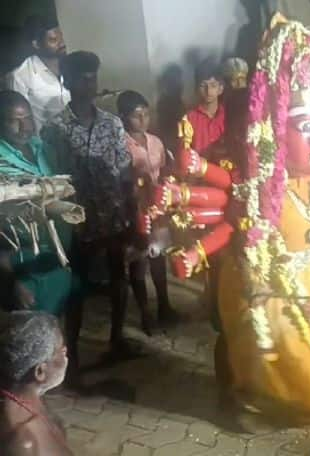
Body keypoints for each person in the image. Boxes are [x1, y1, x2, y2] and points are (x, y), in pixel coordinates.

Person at [216, 13, 310, 432]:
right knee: (282, 357)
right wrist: (259, 287)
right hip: (270, 291)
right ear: (276, 133)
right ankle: (250, 407)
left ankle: (306, 409)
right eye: (305, 125)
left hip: (309, 287)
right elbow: (246, 247)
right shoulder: (261, 189)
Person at [41, 51, 137, 363]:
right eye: (82, 77)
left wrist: (131, 213)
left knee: (118, 274)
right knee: (77, 286)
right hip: (78, 218)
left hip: (112, 213)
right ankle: (73, 355)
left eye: (93, 76)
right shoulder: (55, 129)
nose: (90, 83)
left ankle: (117, 339)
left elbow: (124, 171)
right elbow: (52, 178)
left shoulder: (111, 124)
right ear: (67, 81)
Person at [0, 90, 75, 317]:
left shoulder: (43, 149)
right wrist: (10, 281)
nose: (25, 127)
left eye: (28, 118)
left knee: (64, 319)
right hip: (21, 262)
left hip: (56, 254)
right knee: (31, 330)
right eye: (16, 121)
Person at [117, 90, 178, 334]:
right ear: (123, 117)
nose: (143, 120)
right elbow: (122, 180)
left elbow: (163, 170)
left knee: (158, 256)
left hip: (157, 207)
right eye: (136, 115)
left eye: (146, 113)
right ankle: (145, 313)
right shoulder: (121, 145)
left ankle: (165, 305)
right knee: (139, 261)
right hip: (134, 209)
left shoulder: (155, 142)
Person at [0, 311, 71, 455]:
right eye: (61, 351)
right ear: (40, 372)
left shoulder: (29, 399)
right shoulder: (22, 444)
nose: (66, 356)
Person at [6, 16, 69, 134]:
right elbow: (20, 119)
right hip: (45, 146)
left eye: (61, 37)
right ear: (36, 44)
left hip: (75, 140)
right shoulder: (20, 76)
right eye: (54, 40)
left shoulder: (72, 65)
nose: (62, 44)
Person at [180, 60, 226, 161]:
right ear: (197, 88)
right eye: (203, 86)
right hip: (198, 174)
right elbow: (184, 155)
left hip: (226, 173)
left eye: (213, 86)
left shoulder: (230, 116)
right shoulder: (188, 119)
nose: (208, 91)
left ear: (221, 89)